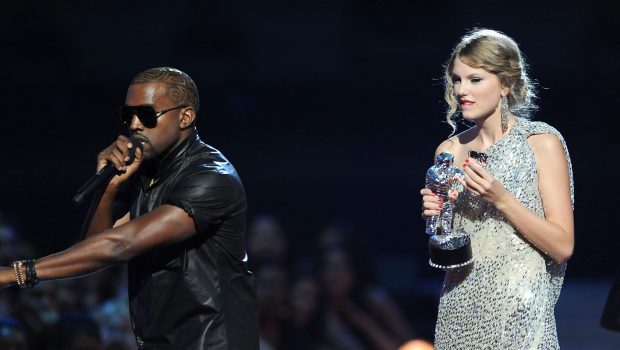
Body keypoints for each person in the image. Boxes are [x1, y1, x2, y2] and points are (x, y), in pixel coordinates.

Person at [0, 67, 259, 349]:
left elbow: (123, 244)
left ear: (185, 117)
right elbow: (96, 249)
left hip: (211, 340)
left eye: (147, 115)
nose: (134, 124)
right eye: (128, 115)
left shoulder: (212, 177)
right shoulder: (143, 171)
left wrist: (18, 273)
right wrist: (109, 188)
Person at [419, 29, 574, 349]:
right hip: (460, 309)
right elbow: (446, 253)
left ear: (505, 84)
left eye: (475, 79)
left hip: (520, 313)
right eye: (457, 80)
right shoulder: (449, 151)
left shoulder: (540, 144)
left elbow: (562, 246)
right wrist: (436, 222)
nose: (462, 90)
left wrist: (501, 198)